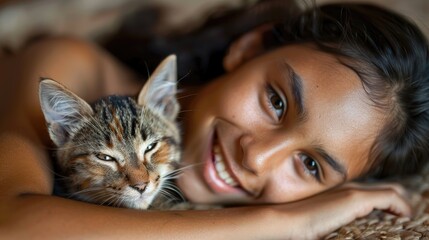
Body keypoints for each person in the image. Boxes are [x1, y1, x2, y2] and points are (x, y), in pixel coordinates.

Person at [0, 1, 428, 239]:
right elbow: (11, 222)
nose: (255, 157)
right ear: (247, 50)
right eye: (277, 102)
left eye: (311, 165)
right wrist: (282, 223)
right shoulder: (69, 63)